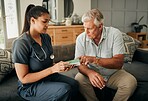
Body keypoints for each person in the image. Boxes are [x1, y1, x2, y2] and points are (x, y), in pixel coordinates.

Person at [12, 4, 79, 101]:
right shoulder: (21, 43)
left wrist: (63, 65)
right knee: (64, 89)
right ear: (32, 21)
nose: (48, 25)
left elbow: (49, 63)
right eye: (44, 21)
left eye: (49, 21)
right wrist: (52, 70)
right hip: (29, 86)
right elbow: (23, 78)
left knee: (74, 84)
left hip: (48, 77)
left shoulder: (46, 37)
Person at [74, 9, 137, 101]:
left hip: (113, 73)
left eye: (90, 28)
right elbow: (78, 63)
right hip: (92, 73)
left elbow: (119, 62)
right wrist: (90, 73)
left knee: (130, 82)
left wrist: (95, 60)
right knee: (79, 79)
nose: (86, 32)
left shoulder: (115, 34)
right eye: (84, 28)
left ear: (100, 26)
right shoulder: (80, 38)